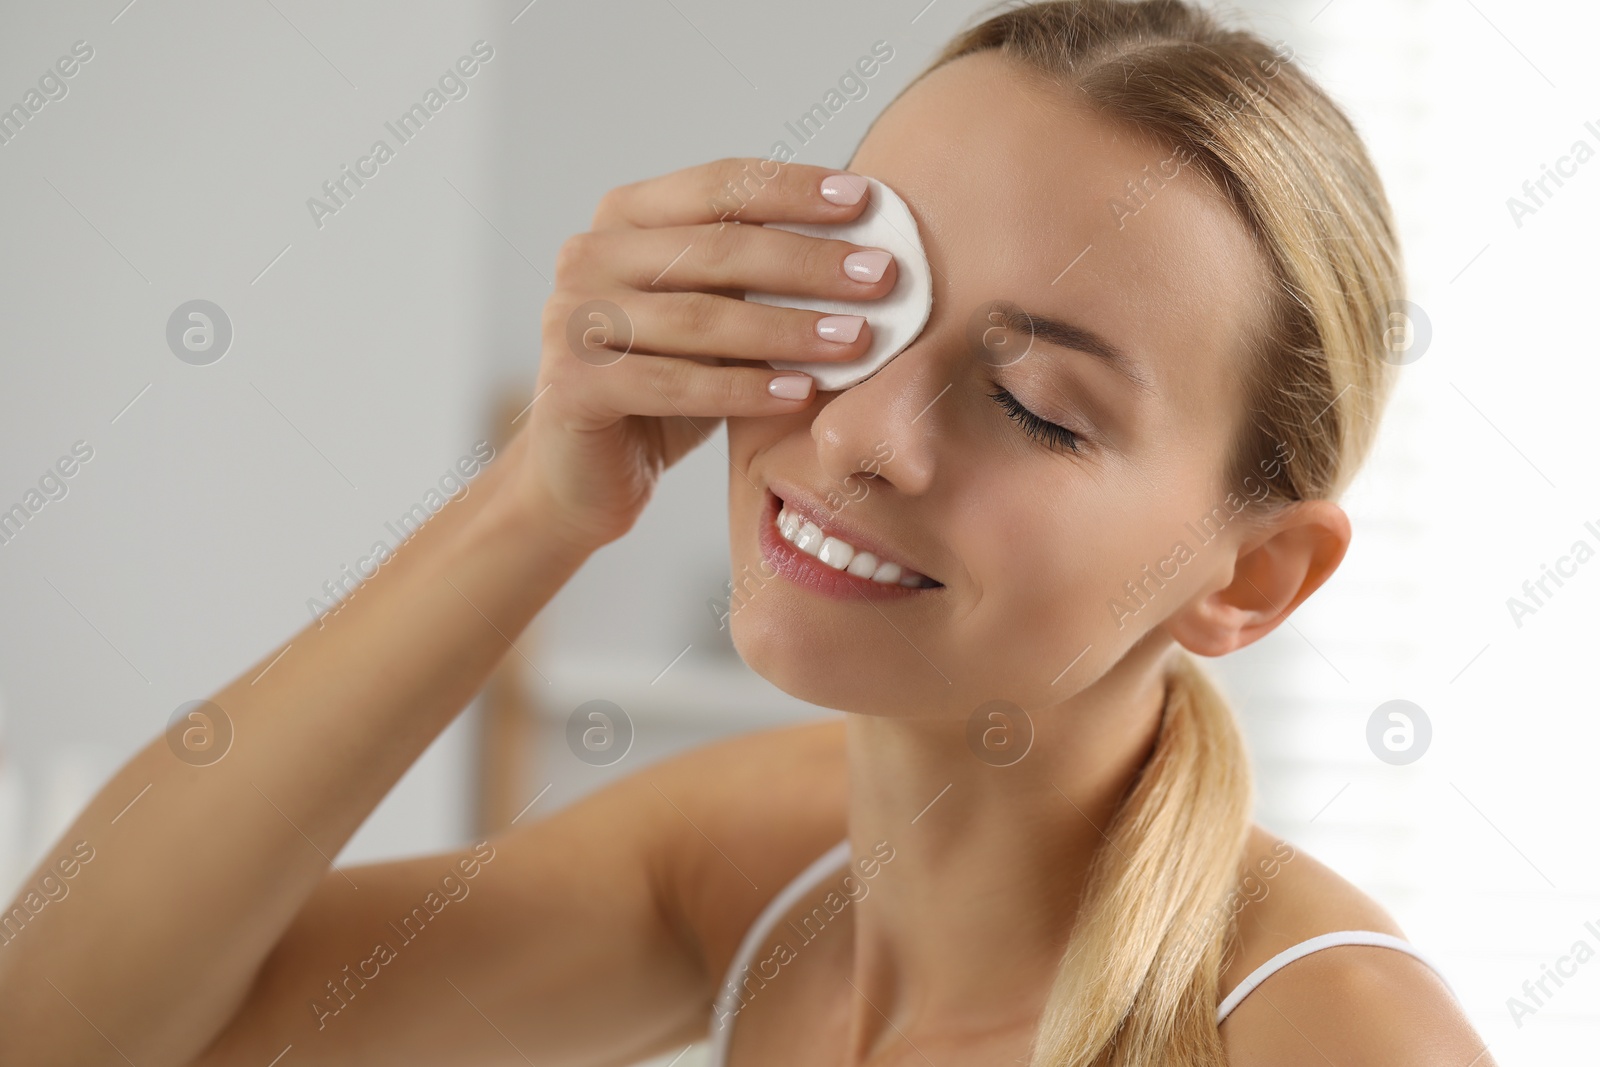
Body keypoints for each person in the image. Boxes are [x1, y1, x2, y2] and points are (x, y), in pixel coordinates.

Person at [0, 2, 1494, 1064]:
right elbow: (67, 1032)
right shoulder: (762, 868)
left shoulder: (1323, 1031)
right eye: (860, 308)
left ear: (1253, 578)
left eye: (1036, 404)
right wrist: (539, 500)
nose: (859, 436)